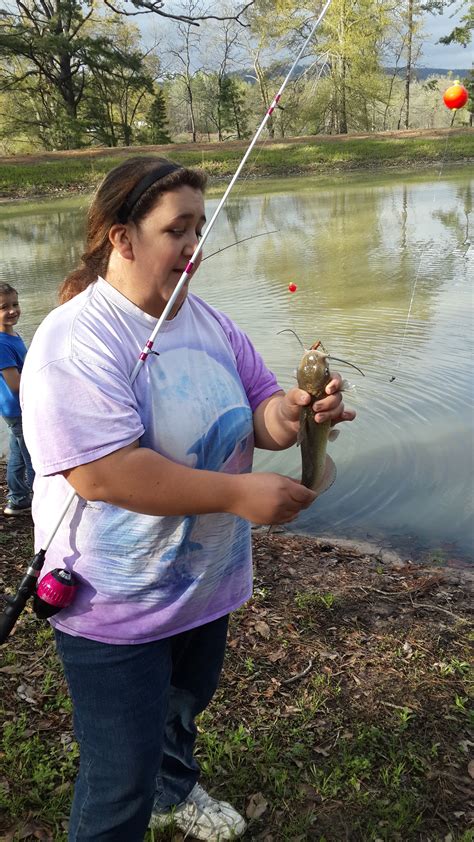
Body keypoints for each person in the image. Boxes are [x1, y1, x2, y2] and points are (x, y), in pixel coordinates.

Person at [20, 156, 356, 842]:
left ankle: (176, 793)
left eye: (200, 228)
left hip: (204, 585)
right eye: (179, 229)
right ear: (123, 238)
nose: (194, 247)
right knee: (119, 780)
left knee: (180, 710)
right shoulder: (75, 339)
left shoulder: (209, 322)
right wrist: (237, 494)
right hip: (113, 603)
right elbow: (104, 474)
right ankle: (147, 798)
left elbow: (261, 412)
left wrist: (295, 414)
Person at [0, 283, 34, 516]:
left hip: (15, 409)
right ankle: (43, 503)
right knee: (34, 457)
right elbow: (15, 384)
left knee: (18, 455)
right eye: (4, 307)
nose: (12, 310)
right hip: (19, 408)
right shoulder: (1, 343)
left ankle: (19, 500)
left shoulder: (12, 335)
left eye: (15, 304)